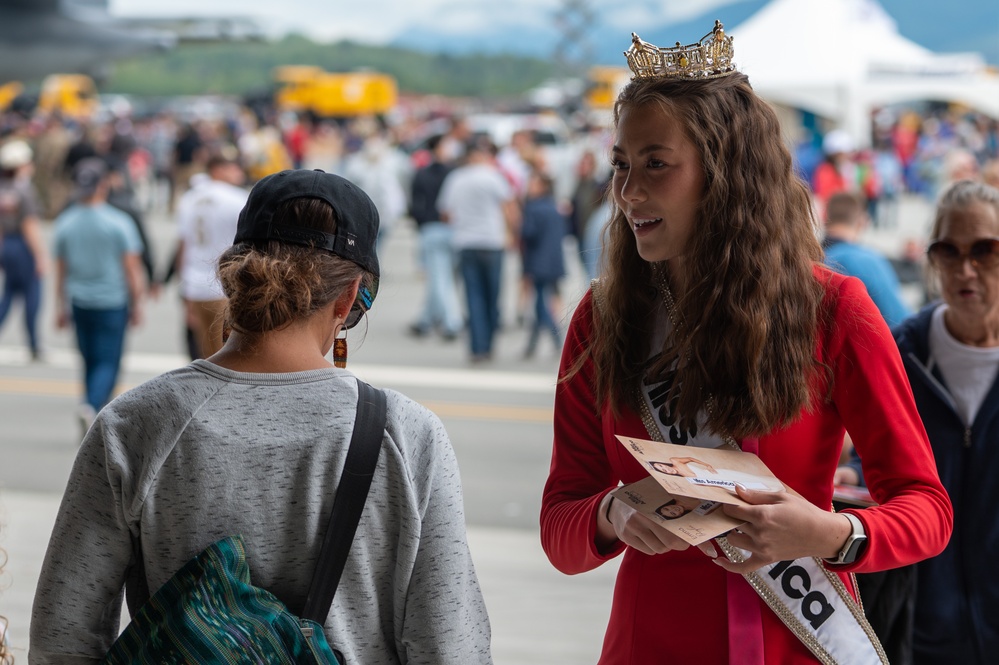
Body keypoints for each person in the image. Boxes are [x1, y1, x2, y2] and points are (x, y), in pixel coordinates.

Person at [540, 22, 952, 665]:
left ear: (726, 172)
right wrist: (613, 513)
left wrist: (833, 533)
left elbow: (927, 509)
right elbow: (560, 527)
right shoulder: (604, 318)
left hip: (801, 640)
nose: (628, 192)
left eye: (656, 164)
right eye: (622, 164)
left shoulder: (833, 311)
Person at [30, 169, 492, 663]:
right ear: (350, 297)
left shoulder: (134, 424)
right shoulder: (407, 435)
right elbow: (448, 643)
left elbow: (64, 634)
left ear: (233, 277)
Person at [838, 180, 999, 664]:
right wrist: (856, 479)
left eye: (984, 250)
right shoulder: (903, 351)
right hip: (918, 619)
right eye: (947, 250)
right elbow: (886, 458)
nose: (965, 268)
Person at [52, 158, 146, 435]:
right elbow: (132, 269)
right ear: (103, 185)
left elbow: (61, 271)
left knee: (89, 358)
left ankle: (90, 407)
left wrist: (59, 305)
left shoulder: (65, 222)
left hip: (80, 301)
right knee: (108, 361)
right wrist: (137, 302)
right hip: (112, 301)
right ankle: (93, 406)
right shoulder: (118, 222)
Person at [438, 136, 518, 363]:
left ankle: (476, 347)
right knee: (493, 296)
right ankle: (489, 344)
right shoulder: (494, 177)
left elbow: (445, 214)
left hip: (466, 242)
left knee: (473, 296)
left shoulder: (455, 178)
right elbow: (509, 208)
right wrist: (512, 234)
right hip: (492, 242)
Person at [174, 152, 249, 358]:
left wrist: (183, 288)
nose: (238, 172)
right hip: (226, 286)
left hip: (195, 284)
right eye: (233, 167)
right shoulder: (237, 198)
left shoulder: (190, 198)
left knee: (204, 353)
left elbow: (183, 246)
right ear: (218, 170)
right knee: (228, 355)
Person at [822, 191, 912, 327]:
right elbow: (899, 320)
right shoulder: (865, 260)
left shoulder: (808, 258)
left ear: (824, 218)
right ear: (862, 221)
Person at [407, 134, 463, 341]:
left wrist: (421, 222)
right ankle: (443, 321)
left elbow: (414, 204)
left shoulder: (422, 173)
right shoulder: (455, 173)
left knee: (440, 277)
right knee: (444, 277)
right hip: (450, 229)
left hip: (430, 228)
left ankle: (435, 320)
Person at [0, 139, 48, 361]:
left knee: (9, 294)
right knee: (32, 295)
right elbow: (29, 226)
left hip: (7, 244)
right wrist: (40, 256)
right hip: (21, 244)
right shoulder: (24, 189)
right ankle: (34, 345)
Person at [520, 170, 568, 358]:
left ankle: (555, 340)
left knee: (541, 304)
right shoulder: (555, 208)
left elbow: (527, 233)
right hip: (554, 261)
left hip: (537, 261)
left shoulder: (532, 208)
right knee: (542, 301)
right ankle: (532, 345)